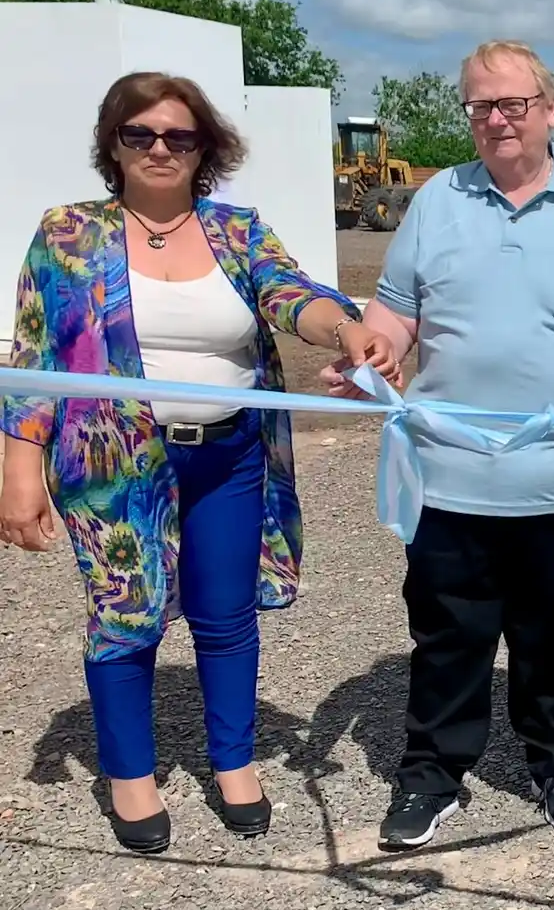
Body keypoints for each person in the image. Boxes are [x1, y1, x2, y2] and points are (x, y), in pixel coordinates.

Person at [0, 71, 397, 854]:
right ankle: (130, 776)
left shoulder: (238, 230)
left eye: (178, 136)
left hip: (227, 454)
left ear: (203, 148)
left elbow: (293, 296)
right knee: (126, 614)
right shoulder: (67, 234)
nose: (158, 148)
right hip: (113, 464)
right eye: (138, 134)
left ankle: (234, 762)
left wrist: (346, 327)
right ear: (112, 144)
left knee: (226, 617)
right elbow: (35, 357)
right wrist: (19, 471)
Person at [321, 40, 554, 850]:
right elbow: (397, 309)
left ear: (549, 110)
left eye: (510, 104)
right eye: (479, 107)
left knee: (551, 629)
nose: (495, 120)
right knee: (446, 635)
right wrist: (379, 349)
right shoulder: (436, 201)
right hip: (449, 472)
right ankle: (432, 774)